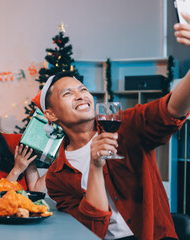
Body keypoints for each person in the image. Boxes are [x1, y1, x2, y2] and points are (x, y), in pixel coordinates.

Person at [33, 69, 190, 239]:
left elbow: (171, 111)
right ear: (51, 114)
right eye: (67, 93)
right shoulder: (57, 177)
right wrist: (95, 166)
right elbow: (91, 229)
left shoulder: (127, 125)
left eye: (83, 89)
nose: (80, 96)